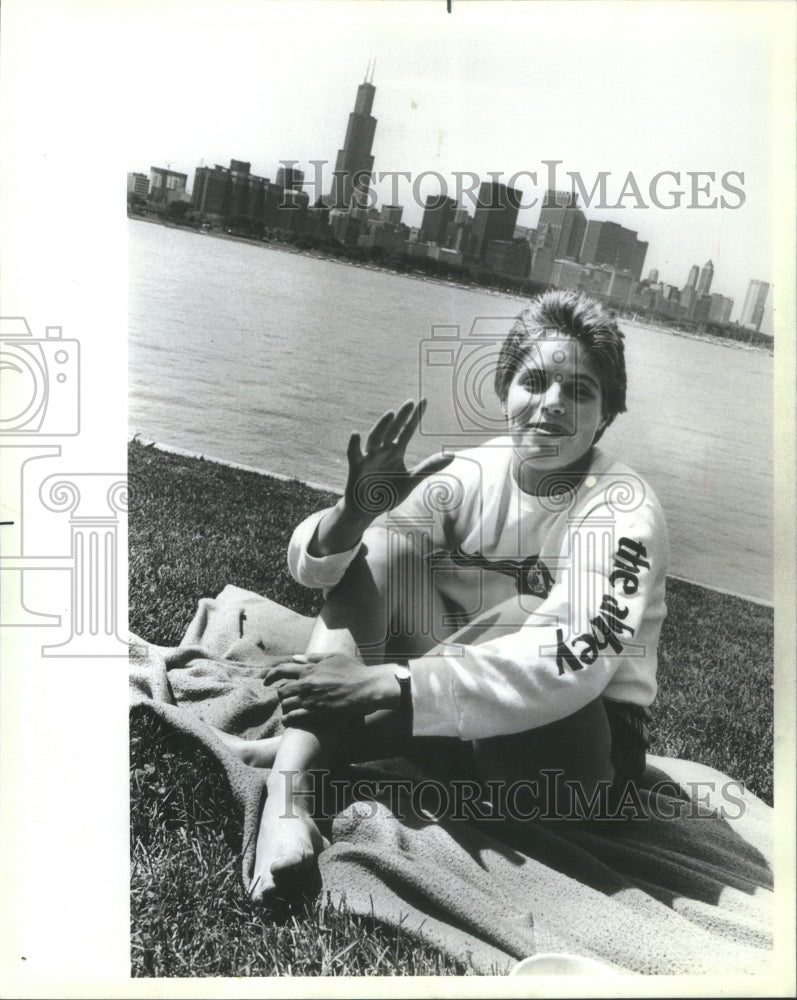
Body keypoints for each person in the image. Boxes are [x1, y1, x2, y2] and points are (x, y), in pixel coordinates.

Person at [220, 289, 669, 902]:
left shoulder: (623, 506)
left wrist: (385, 684)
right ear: (503, 389)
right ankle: (290, 796)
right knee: (384, 548)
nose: (554, 405)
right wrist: (351, 515)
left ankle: (320, 744)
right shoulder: (468, 473)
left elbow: (576, 661)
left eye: (581, 391)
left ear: (606, 416)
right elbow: (323, 572)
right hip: (462, 727)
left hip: (576, 758)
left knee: (524, 615)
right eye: (534, 381)